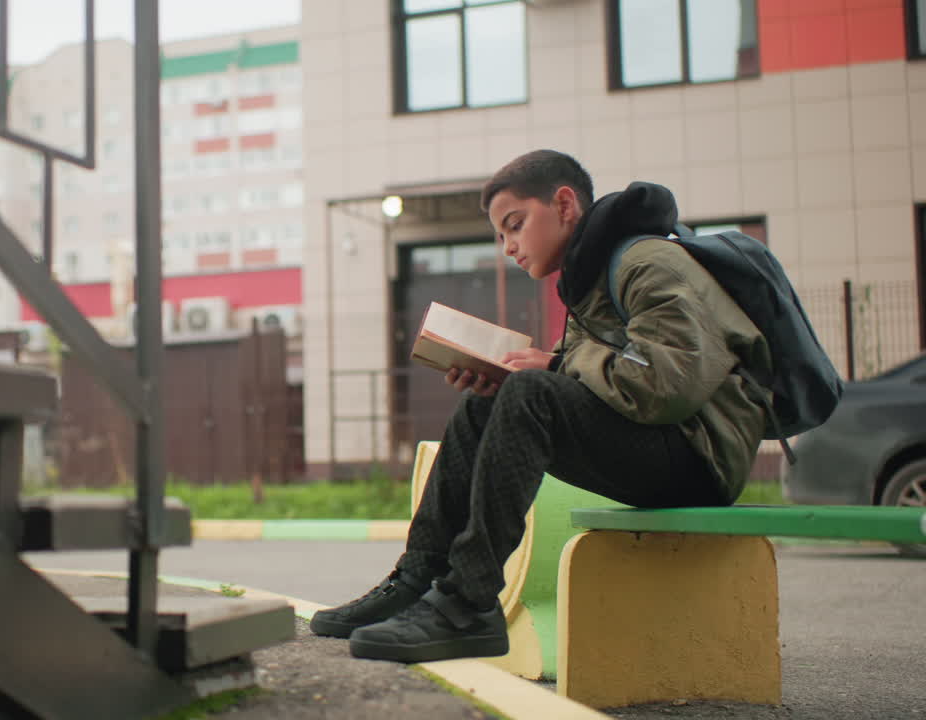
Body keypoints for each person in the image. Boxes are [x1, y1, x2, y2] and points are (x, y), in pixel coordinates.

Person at [310, 149, 771, 664]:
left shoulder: (647, 263)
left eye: (515, 225)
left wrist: (551, 369)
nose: (508, 246)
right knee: (485, 402)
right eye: (501, 235)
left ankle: (468, 605)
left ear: (565, 204)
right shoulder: (589, 277)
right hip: (654, 443)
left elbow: (669, 385)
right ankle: (418, 579)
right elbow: (606, 375)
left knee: (529, 392)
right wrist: (523, 372)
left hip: (698, 457)